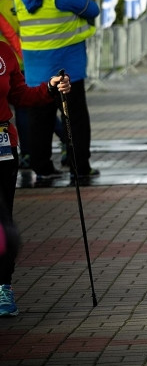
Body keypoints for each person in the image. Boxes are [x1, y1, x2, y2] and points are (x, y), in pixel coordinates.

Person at [14, 0, 100, 180]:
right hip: (67, 71)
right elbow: (93, 10)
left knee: (39, 122)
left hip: (35, 74)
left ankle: (42, 169)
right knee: (75, 121)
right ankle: (79, 168)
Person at [0, 49, 71, 316]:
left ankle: (3, 287)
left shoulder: (4, 52)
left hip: (4, 148)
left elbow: (20, 95)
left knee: (3, 223)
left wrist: (51, 88)